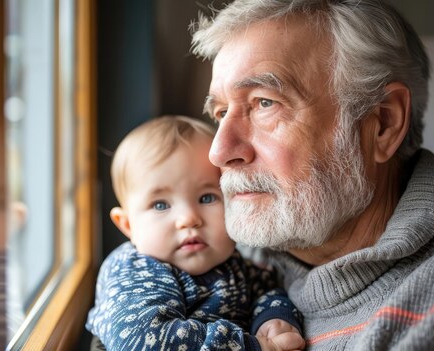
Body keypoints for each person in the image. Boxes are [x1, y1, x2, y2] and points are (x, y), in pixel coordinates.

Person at [189, 0, 434, 350]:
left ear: (383, 123)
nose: (220, 151)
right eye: (221, 112)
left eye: (265, 103)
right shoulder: (217, 254)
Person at [86, 115, 305, 351]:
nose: (188, 218)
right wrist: (254, 346)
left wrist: (273, 318)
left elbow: (266, 288)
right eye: (161, 205)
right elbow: (147, 340)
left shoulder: (234, 263)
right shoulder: (135, 270)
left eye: (207, 198)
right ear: (128, 225)